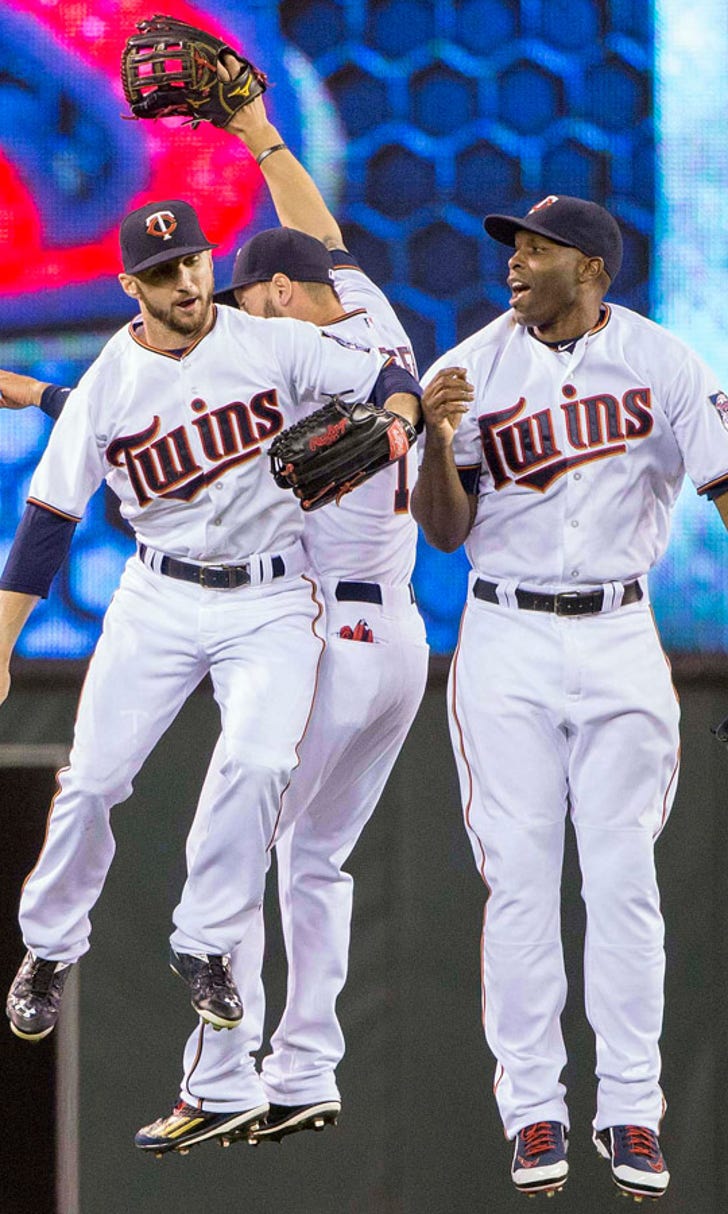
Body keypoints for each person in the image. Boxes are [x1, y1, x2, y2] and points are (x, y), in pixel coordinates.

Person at [0, 104, 428, 1153]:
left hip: (273, 596)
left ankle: (206, 948)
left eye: (194, 264)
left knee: (256, 760)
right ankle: (48, 949)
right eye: (165, 276)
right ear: (130, 290)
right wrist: (2, 640)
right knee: (94, 780)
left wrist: (402, 415)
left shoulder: (269, 335)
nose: (188, 284)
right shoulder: (109, 379)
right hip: (153, 597)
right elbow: (48, 521)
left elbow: (379, 375)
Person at [412, 194, 728, 1202]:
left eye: (535, 249)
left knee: (621, 874)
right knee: (518, 874)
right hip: (502, 629)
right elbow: (443, 531)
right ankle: (533, 1107)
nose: (513, 263)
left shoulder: (663, 362)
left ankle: (630, 1107)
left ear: (588, 268)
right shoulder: (467, 366)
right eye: (512, 247)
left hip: (620, 628)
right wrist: (433, 438)